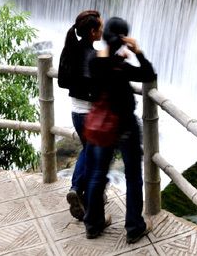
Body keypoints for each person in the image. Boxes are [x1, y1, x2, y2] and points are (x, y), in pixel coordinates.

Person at [83, 16, 156, 242]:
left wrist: (114, 51)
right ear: (123, 39)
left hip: (101, 127)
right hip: (125, 128)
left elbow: (101, 63)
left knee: (97, 174)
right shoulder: (121, 67)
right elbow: (149, 74)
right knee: (133, 176)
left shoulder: (95, 61)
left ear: (105, 38)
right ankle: (134, 227)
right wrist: (137, 51)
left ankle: (93, 224)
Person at [57, 9, 103, 221]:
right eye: (100, 28)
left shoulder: (71, 48)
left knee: (88, 151)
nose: (103, 30)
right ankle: (79, 191)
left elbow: (63, 81)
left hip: (76, 112)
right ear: (93, 32)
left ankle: (80, 192)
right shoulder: (91, 56)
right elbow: (95, 88)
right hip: (90, 114)